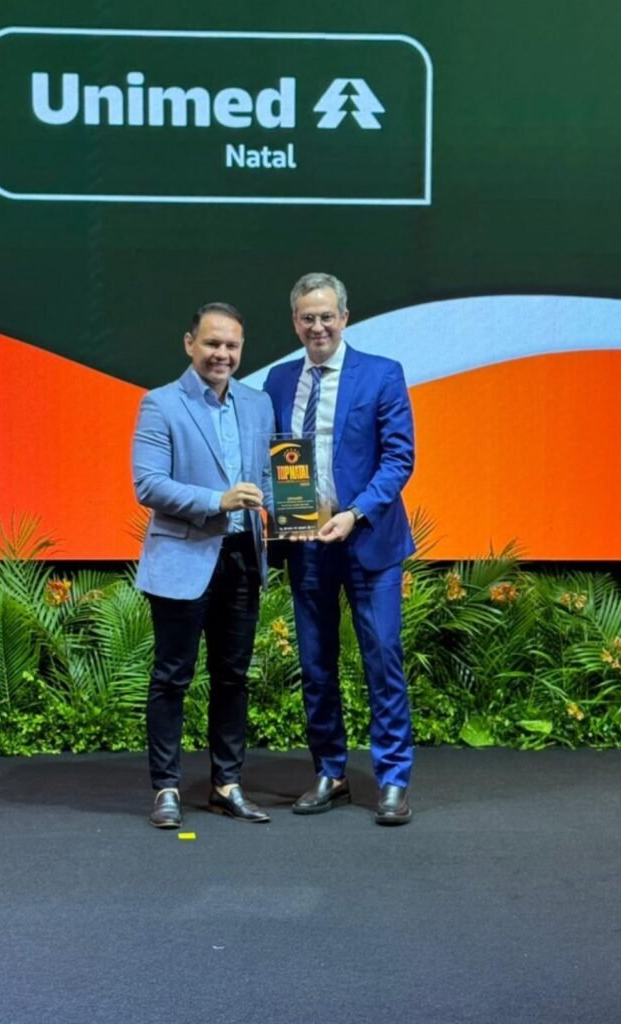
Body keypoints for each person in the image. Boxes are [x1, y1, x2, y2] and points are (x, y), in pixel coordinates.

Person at [264, 273, 416, 825]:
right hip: (307, 545)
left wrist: (354, 514)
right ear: (295, 322)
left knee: (383, 658)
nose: (318, 326)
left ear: (345, 317)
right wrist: (276, 507)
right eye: (308, 317)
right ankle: (330, 771)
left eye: (326, 316)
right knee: (315, 666)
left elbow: (399, 458)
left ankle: (393, 779)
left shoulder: (382, 373)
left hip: (369, 541)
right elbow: (273, 458)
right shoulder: (279, 380)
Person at [132, 302, 275, 829]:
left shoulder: (258, 404)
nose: (222, 354)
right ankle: (166, 789)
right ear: (189, 343)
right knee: (172, 677)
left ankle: (226, 785)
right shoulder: (160, 403)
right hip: (182, 559)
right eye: (212, 343)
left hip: (242, 558)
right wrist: (218, 500)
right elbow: (149, 484)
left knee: (233, 678)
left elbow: (270, 481)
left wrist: (304, 512)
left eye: (231, 345)